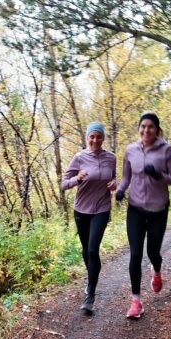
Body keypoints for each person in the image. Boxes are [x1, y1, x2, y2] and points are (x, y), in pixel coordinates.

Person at [115, 111, 171, 319]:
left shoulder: (166, 151)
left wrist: (159, 175)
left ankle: (157, 270)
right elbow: (126, 177)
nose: (146, 130)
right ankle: (136, 301)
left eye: (150, 126)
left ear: (157, 129)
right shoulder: (131, 150)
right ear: (139, 128)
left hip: (158, 211)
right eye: (143, 126)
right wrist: (119, 190)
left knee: (153, 252)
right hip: (135, 208)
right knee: (135, 254)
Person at [61, 122, 116, 312]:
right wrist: (77, 179)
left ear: (103, 138)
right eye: (91, 136)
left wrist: (114, 184)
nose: (95, 140)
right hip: (81, 210)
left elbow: (113, 178)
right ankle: (91, 276)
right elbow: (63, 184)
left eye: (98, 136)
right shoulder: (79, 158)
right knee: (86, 250)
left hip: (101, 208)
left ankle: (90, 293)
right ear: (87, 138)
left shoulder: (111, 158)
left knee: (93, 250)